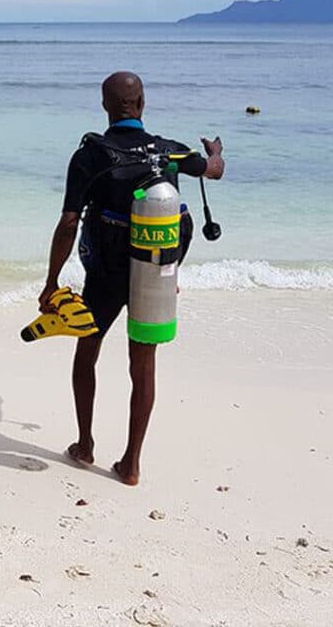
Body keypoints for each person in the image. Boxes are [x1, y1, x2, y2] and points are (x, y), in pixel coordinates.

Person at [39, 71, 225, 486]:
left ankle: (85, 444)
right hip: (153, 273)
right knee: (143, 365)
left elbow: (69, 223)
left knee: (87, 352)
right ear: (142, 103)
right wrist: (214, 150)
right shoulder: (169, 152)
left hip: (104, 276)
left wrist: (51, 282)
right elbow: (213, 170)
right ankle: (131, 464)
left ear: (106, 106)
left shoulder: (90, 155)